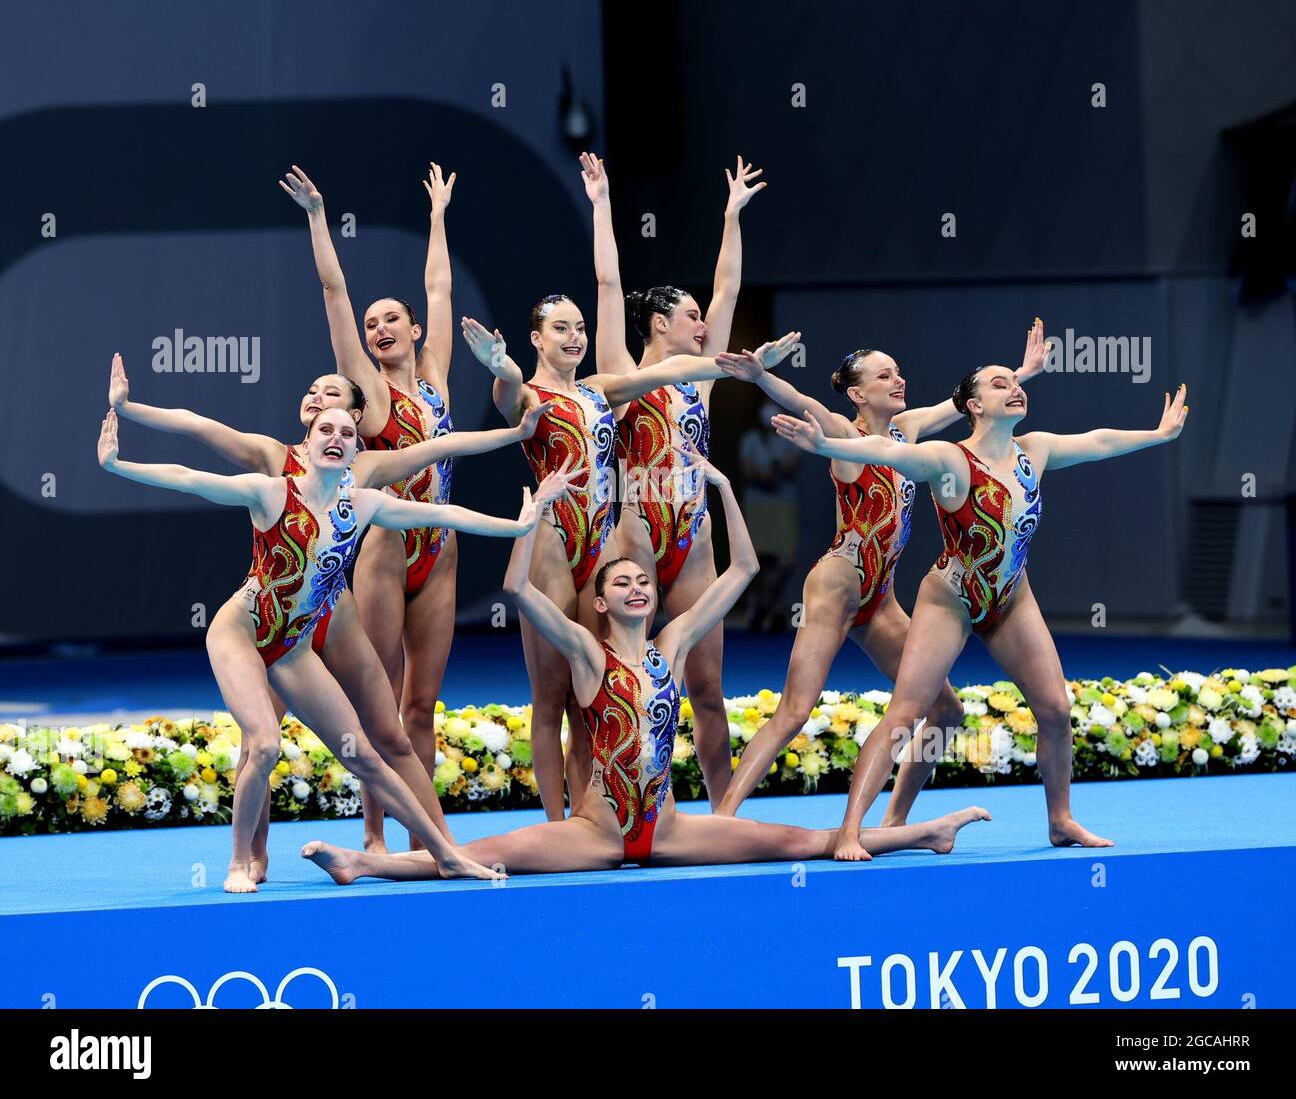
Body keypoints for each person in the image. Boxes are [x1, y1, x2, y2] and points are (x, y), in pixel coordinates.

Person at [300, 445, 989, 883]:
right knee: (478, 857)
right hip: (596, 834)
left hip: (673, 829)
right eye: (621, 583)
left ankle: (925, 832)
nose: (636, 588)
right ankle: (364, 860)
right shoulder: (583, 649)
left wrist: (720, 486)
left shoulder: (673, 645)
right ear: (599, 601)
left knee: (803, 840)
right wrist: (535, 516)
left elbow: (744, 569)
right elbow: (515, 591)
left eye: (643, 583)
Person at [98, 403, 575, 891]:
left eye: (346, 433)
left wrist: (517, 525)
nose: (336, 437)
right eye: (325, 429)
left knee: (365, 756)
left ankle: (445, 854)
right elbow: (189, 478)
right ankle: (239, 861)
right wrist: (118, 464)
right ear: (305, 445)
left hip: (291, 648)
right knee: (264, 744)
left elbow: (443, 512)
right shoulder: (271, 492)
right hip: (240, 631)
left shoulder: (363, 505)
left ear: (354, 449)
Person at [772, 372, 1189, 854]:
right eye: (998, 384)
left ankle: (1060, 821)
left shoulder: (1036, 449)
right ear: (973, 405)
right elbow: (890, 453)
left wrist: (1157, 435)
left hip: (1011, 597)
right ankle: (851, 830)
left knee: (1055, 710)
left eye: (1016, 382)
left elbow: (1097, 441)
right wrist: (825, 445)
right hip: (950, 598)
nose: (1014, 388)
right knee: (907, 712)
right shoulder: (951, 459)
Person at [461, 305, 798, 818]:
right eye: (560, 328)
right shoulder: (530, 393)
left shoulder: (600, 389)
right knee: (550, 698)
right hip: (554, 542)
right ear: (536, 337)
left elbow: (672, 370)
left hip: (597, 548)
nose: (574, 336)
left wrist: (745, 367)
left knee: (587, 698)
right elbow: (508, 392)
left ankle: (592, 818)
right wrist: (500, 364)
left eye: (579, 328)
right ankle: (557, 824)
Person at [713, 320, 1047, 817]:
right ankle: (723, 817)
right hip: (836, 586)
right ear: (858, 393)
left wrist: (1020, 374)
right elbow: (807, 406)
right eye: (884, 376)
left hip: (880, 596)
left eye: (898, 372)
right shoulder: (847, 433)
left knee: (946, 709)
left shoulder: (906, 431)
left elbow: (967, 402)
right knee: (795, 711)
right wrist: (761, 376)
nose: (898, 380)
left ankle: (895, 817)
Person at [281, 162, 470, 851]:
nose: (379, 327)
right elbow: (334, 290)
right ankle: (373, 833)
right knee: (380, 702)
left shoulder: (438, 376)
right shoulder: (370, 394)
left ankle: (424, 837)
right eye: (372, 323)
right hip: (389, 556)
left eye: (392, 319)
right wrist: (316, 217)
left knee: (421, 705)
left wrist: (439, 216)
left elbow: (440, 287)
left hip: (440, 556)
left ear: (415, 331)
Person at [590, 151, 766, 805]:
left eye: (702, 318)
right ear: (660, 324)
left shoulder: (702, 378)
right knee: (623, 677)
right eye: (690, 317)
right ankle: (623, 800)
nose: (703, 324)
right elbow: (609, 286)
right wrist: (602, 201)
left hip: (693, 538)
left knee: (709, 688)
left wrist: (731, 215)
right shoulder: (624, 369)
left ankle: (723, 811)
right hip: (634, 535)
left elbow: (728, 290)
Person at [736, 395, 802, 632]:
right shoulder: (751, 440)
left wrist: (774, 472)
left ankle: (766, 604)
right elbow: (748, 470)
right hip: (757, 504)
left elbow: (792, 465)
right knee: (759, 561)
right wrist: (766, 476)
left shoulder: (789, 439)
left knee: (786, 561)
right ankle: (763, 607)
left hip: (783, 503)